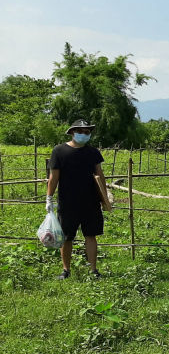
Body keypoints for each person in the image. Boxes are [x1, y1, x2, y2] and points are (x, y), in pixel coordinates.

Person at [46, 119, 107, 280]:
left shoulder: (93, 152)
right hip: (68, 202)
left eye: (87, 132)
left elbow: (99, 174)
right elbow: (53, 177)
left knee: (91, 235)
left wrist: (104, 197)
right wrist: (49, 198)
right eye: (80, 131)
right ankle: (66, 270)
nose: (83, 134)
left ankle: (93, 270)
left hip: (91, 201)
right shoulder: (59, 151)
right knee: (66, 237)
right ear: (72, 132)